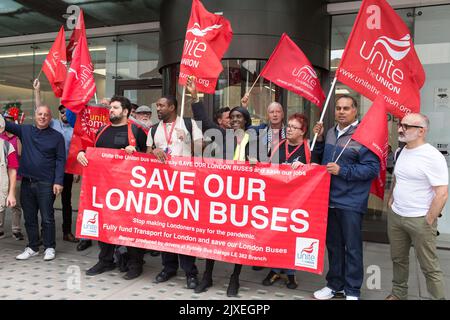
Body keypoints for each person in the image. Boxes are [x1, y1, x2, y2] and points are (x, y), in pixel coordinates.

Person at [188, 77, 257, 297]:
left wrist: (257, 163)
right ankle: (207, 275)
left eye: (239, 117)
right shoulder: (222, 136)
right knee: (214, 235)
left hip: (241, 196)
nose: (234, 119)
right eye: (231, 117)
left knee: (237, 239)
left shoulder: (254, 139)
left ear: (245, 120)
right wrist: (195, 97)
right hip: (220, 195)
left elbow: (266, 166)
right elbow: (202, 120)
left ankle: (234, 279)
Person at [313, 95, 379, 300]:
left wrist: (343, 170)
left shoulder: (363, 136)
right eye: (338, 108)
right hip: (328, 198)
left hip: (350, 201)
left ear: (355, 111)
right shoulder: (331, 132)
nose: (341, 111)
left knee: (352, 248)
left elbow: (371, 169)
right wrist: (321, 139)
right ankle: (335, 285)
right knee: (333, 245)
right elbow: (321, 159)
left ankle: (352, 290)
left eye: (346, 108)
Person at [77, 95, 147, 280]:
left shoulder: (138, 131)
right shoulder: (101, 130)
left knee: (130, 227)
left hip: (129, 191)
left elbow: (150, 160)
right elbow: (88, 150)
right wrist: (81, 154)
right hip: (103, 189)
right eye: (111, 108)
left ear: (126, 111)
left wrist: (137, 153)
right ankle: (105, 260)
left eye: (115, 108)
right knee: (104, 225)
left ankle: (135, 263)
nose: (111, 110)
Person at [385, 113, 448, 300]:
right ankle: (398, 293)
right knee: (398, 259)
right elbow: (398, 176)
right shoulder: (401, 151)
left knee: (429, 266)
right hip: (397, 216)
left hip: (420, 219)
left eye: (406, 126)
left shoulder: (432, 156)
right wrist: (391, 198)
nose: (400, 129)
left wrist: (428, 220)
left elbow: (442, 193)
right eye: (400, 125)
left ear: (422, 131)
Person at [146, 91, 203, 290]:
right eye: (157, 105)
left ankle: (190, 272)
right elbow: (146, 155)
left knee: (184, 230)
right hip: (162, 186)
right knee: (164, 229)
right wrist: (154, 150)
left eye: (161, 105)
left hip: (184, 185)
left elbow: (202, 149)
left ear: (172, 107)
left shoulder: (189, 124)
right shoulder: (153, 129)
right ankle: (168, 268)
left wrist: (187, 139)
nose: (158, 109)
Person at [261, 113, 320, 289]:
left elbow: (318, 170)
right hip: (277, 199)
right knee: (276, 236)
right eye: (288, 126)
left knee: (293, 237)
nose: (289, 129)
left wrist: (306, 167)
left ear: (303, 132)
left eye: (294, 127)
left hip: (299, 202)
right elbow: (267, 167)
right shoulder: (279, 145)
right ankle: (275, 269)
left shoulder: (310, 147)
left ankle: (291, 273)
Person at [2, 106, 65, 262]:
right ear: (35, 116)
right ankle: (33, 247)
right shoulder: (26, 130)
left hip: (46, 183)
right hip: (27, 181)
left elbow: (60, 160)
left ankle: (49, 247)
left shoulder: (57, 136)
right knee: (29, 217)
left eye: (46, 115)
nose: (42, 117)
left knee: (47, 218)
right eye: (40, 114)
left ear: (50, 118)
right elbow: (5, 123)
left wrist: (58, 181)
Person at [0, 112, 24, 240]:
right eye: (5, 120)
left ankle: (16, 229)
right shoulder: (1, 136)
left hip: (16, 176)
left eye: (9, 120)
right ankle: (0, 229)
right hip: (2, 176)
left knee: (16, 204)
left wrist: (19, 136)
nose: (6, 123)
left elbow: (20, 153)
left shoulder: (16, 138)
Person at [241, 93, 286, 158]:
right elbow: (246, 127)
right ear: (268, 116)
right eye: (271, 112)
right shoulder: (262, 129)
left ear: (282, 115)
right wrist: (244, 107)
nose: (275, 114)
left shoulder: (289, 132)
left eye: (278, 111)